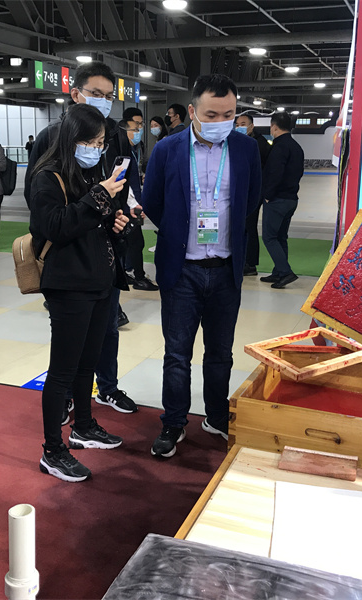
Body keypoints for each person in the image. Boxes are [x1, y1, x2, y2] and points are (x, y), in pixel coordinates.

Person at [142, 74, 261, 458]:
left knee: (220, 353)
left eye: (229, 114)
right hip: (182, 269)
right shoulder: (168, 149)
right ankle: (174, 422)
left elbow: (251, 199)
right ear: (192, 111)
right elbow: (152, 200)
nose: (221, 121)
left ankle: (216, 416)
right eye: (212, 114)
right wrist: (178, 231)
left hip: (225, 269)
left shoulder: (245, 148)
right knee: (177, 354)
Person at [26, 61, 141, 418]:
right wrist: (86, 209)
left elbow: (123, 181)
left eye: (108, 96)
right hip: (69, 256)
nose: (103, 101)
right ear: (75, 93)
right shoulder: (53, 136)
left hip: (104, 251)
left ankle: (107, 387)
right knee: (70, 338)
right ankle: (65, 397)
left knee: (106, 328)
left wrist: (123, 212)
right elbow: (41, 205)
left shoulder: (115, 134)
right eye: (96, 94)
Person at [29, 103, 131, 482]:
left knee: (88, 363)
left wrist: (117, 221)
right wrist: (99, 197)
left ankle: (84, 426)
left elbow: (95, 222)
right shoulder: (47, 178)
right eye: (90, 142)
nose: (96, 149)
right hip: (69, 286)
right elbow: (55, 226)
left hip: (100, 282)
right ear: (71, 139)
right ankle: (52, 450)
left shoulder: (91, 175)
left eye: (101, 143)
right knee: (62, 371)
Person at [260, 112, 304, 289]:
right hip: (291, 198)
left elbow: (274, 173)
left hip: (277, 199)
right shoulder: (296, 147)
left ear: (274, 126)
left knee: (269, 237)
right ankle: (278, 271)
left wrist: (268, 195)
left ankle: (285, 272)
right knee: (280, 237)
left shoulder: (279, 147)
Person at [120, 107, 157, 291]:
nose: (140, 129)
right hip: (128, 205)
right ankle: (139, 278)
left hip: (134, 203)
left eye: (141, 125)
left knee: (130, 241)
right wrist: (134, 205)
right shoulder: (121, 148)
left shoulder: (135, 147)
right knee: (136, 241)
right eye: (136, 125)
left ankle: (126, 273)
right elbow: (121, 180)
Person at [235, 112, 271, 276]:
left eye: (243, 124)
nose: (239, 127)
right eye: (237, 125)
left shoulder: (258, 144)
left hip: (253, 192)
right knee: (243, 227)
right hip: (242, 191)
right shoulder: (241, 142)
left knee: (249, 227)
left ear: (252, 126)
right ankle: (244, 260)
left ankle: (250, 263)